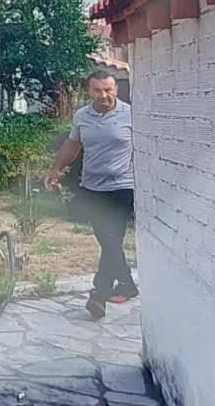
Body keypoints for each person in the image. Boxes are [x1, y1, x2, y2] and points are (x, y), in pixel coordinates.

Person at [44, 69, 136, 319]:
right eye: (97, 90)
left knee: (111, 238)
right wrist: (56, 170)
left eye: (108, 89)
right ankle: (128, 284)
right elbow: (72, 145)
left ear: (116, 89)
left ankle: (99, 294)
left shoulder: (131, 115)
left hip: (123, 187)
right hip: (93, 188)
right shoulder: (82, 116)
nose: (103, 95)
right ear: (90, 91)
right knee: (107, 241)